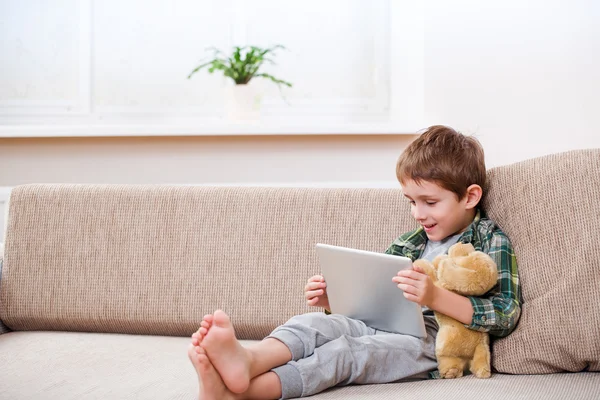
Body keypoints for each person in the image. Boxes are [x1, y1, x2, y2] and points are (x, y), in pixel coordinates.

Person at [187, 125, 522, 400]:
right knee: (315, 323)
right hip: (389, 324)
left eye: (430, 202)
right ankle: (249, 360)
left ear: (470, 196)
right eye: (411, 201)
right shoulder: (410, 243)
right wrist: (335, 301)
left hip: (435, 343)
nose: (418, 214)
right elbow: (378, 305)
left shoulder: (489, 241)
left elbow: (507, 313)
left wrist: (436, 298)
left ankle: (241, 395)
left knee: (347, 353)